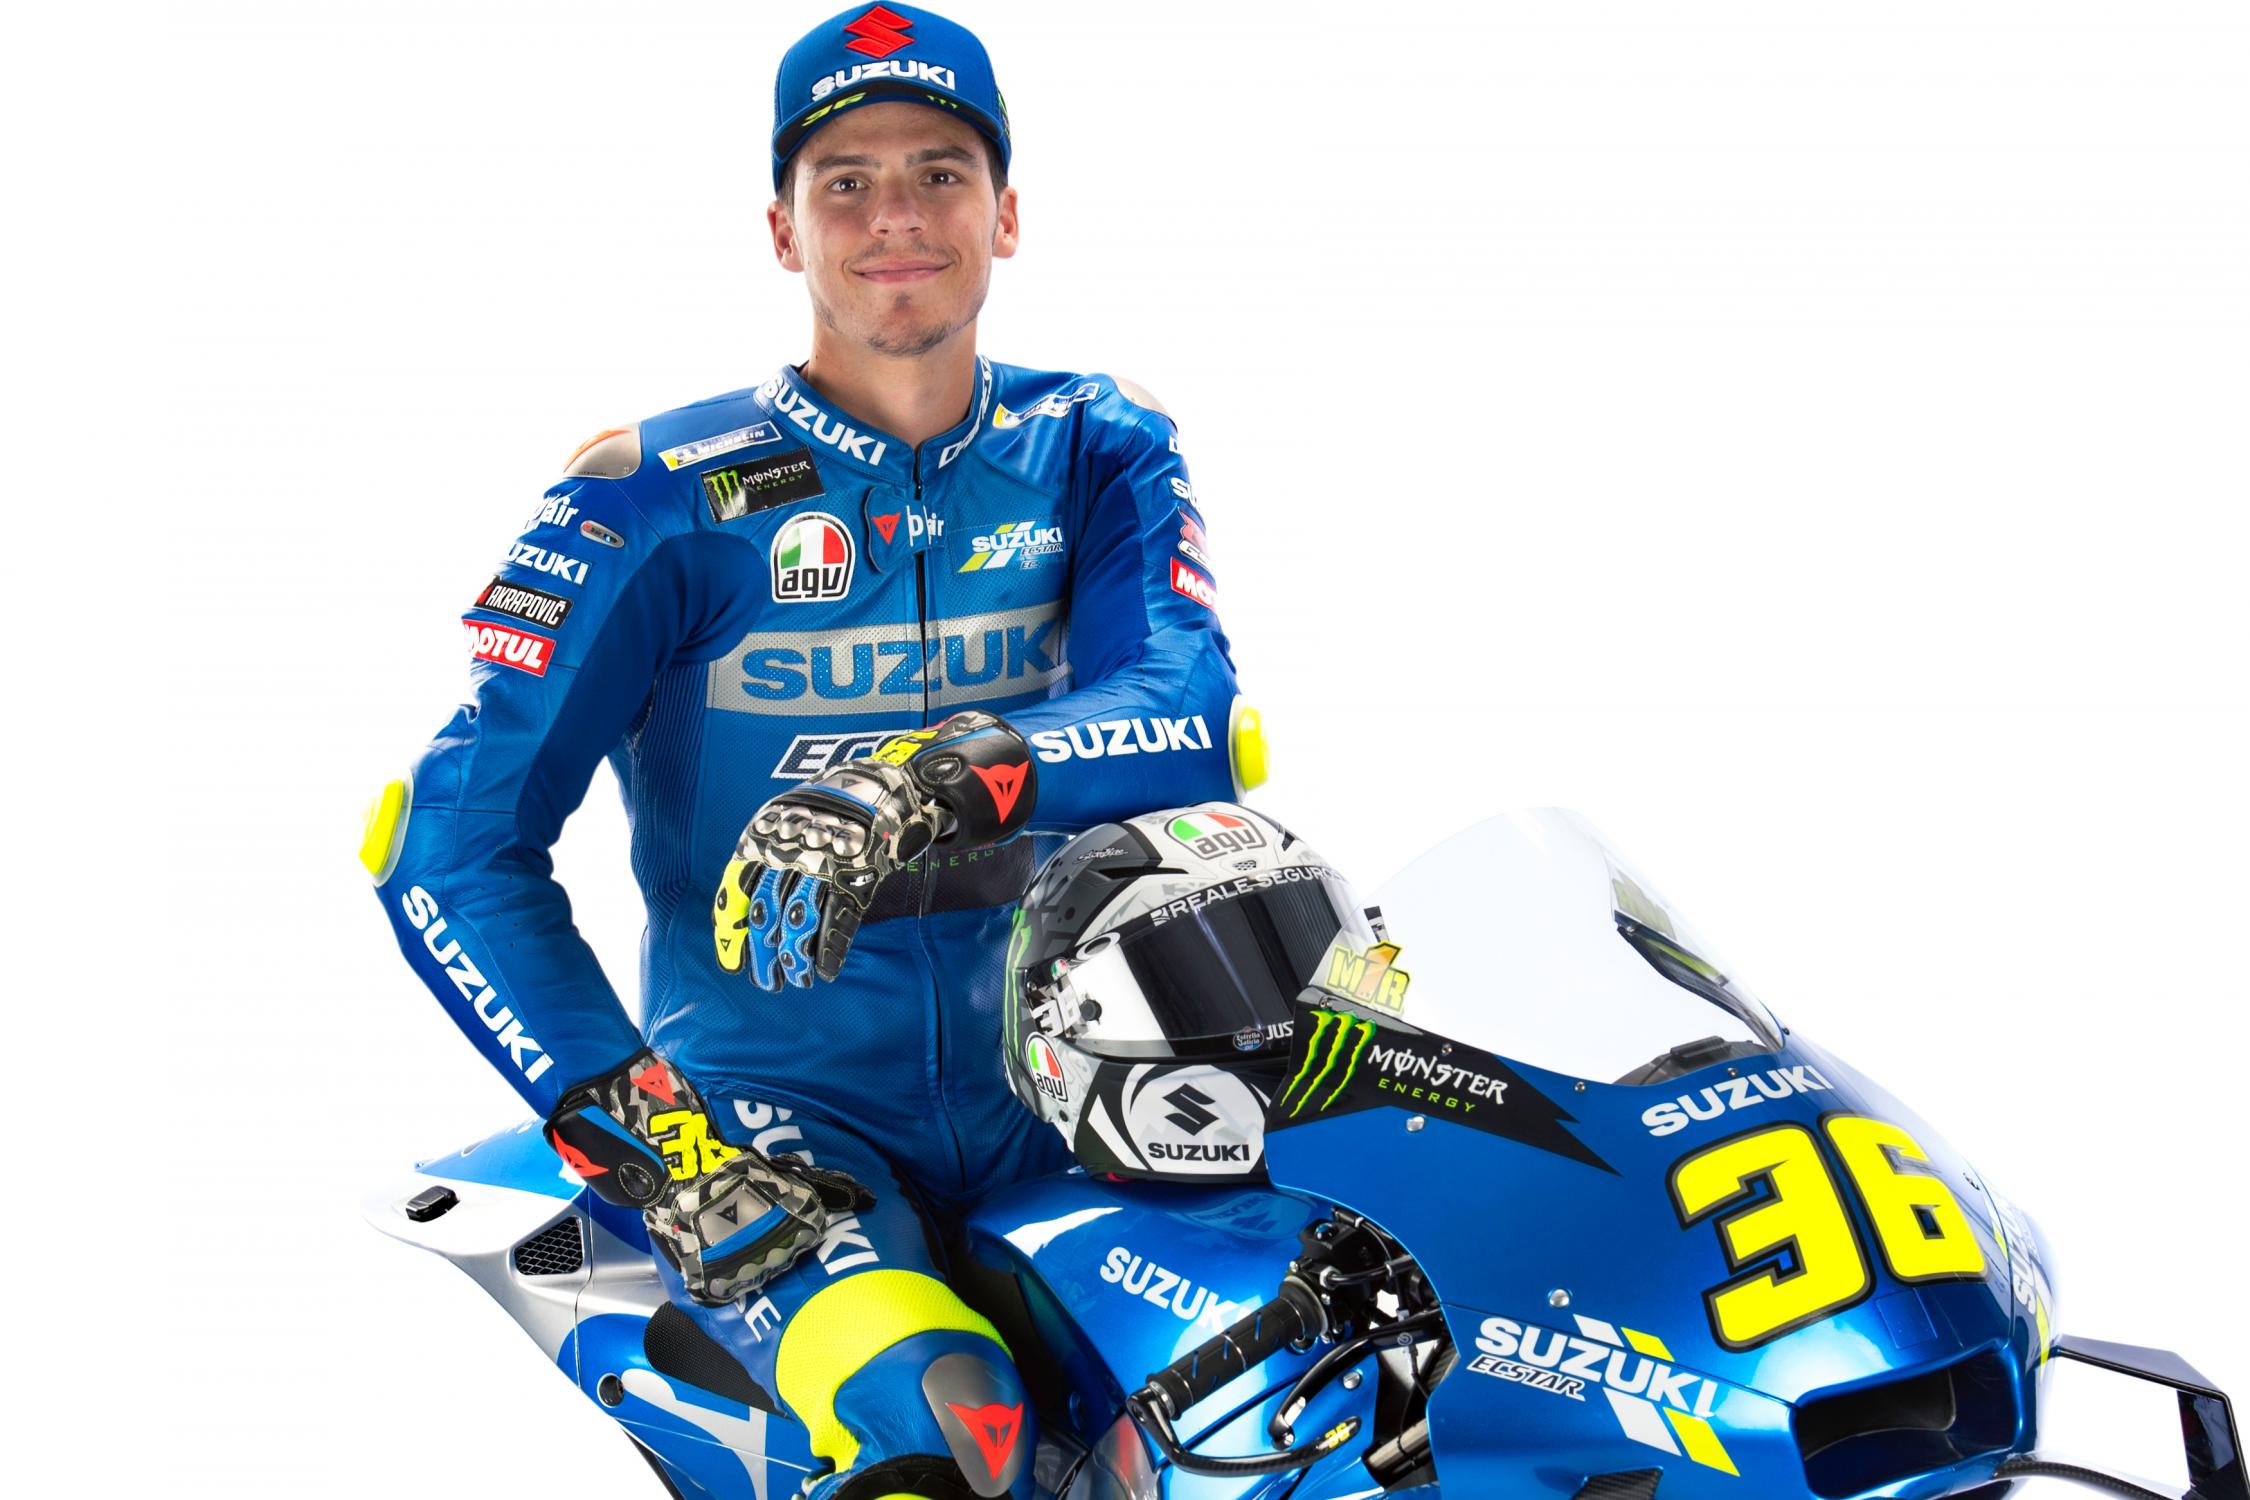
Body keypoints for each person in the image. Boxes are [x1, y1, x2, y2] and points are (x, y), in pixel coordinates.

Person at [360, 6, 1262, 1498]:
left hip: (1082, 1079)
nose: (895, 215)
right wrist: (651, 1138)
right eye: (845, 181)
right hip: (778, 1121)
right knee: (954, 1434)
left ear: (1007, 214)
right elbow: (449, 846)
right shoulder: (651, 494)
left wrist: (928, 777)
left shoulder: (1101, 441)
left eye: (939, 172)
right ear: (783, 231)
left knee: (1318, 1395)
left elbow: (1184, 715)